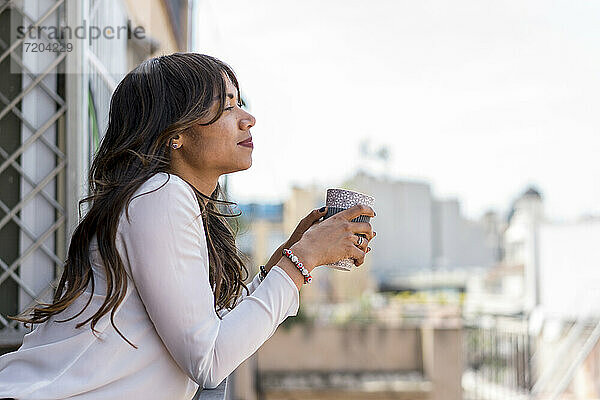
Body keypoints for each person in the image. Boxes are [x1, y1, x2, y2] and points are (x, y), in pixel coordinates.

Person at [0, 53, 375, 399]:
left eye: (240, 103)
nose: (248, 118)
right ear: (175, 132)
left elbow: (215, 337)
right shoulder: (162, 194)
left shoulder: (161, 198)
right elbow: (209, 361)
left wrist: (287, 257)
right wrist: (303, 259)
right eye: (227, 107)